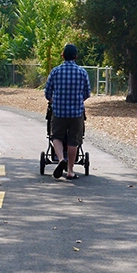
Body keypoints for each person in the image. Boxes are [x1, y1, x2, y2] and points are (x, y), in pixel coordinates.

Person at [44, 43, 91, 180]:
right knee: (73, 140)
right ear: (76, 56)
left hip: (59, 111)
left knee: (56, 136)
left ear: (63, 56)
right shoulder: (82, 72)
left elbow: (47, 93)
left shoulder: (55, 71)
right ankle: (70, 170)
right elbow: (87, 93)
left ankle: (60, 159)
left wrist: (54, 100)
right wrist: (77, 100)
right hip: (76, 113)